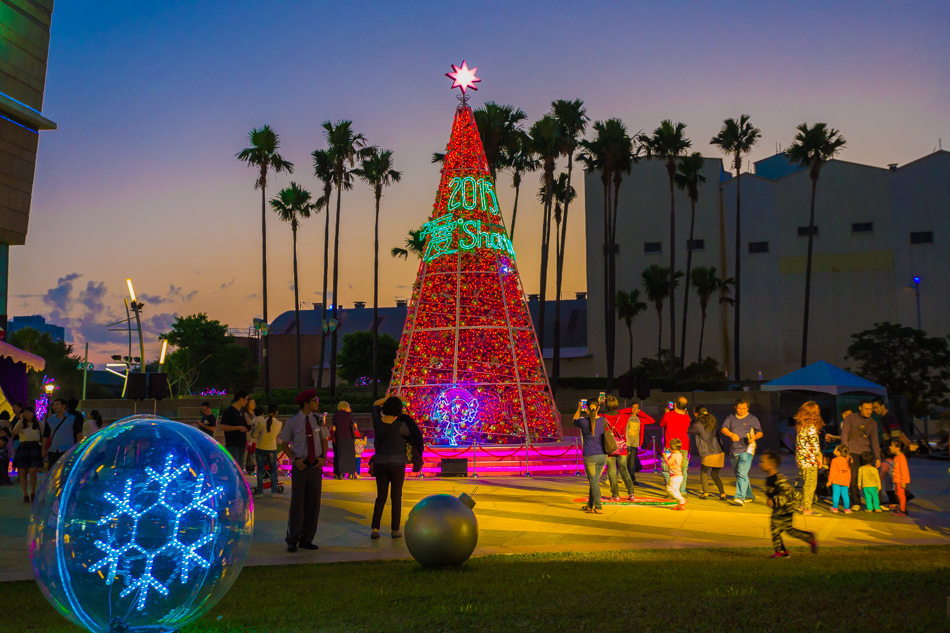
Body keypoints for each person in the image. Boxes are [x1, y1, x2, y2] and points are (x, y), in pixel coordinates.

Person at [278, 389, 328, 552]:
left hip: (315, 466)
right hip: (300, 465)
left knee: (313, 503)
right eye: (314, 400)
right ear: (306, 403)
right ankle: (293, 538)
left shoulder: (319, 419)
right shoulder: (293, 422)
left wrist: (323, 458)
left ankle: (307, 538)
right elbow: (284, 444)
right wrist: (294, 460)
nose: (317, 403)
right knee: (297, 503)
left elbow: (324, 439)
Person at [370, 395, 423, 539]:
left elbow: (375, 403)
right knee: (396, 497)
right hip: (397, 465)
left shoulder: (377, 422)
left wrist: (389, 398)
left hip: (380, 463)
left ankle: (375, 528)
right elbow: (411, 436)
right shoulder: (401, 427)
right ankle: (394, 530)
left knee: (380, 497)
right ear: (398, 411)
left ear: (385, 408)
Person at [760, 450, 818, 558]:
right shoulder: (769, 478)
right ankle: (785, 550)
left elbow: (787, 493)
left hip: (786, 508)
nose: (760, 464)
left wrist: (775, 501)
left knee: (781, 530)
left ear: (771, 465)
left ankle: (784, 551)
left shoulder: (779, 478)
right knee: (782, 529)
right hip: (779, 509)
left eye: (763, 462)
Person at [827, 402, 880, 511]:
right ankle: (856, 502)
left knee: (872, 478)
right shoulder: (850, 418)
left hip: (866, 452)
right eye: (866, 409)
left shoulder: (872, 423)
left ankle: (878, 504)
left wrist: (878, 457)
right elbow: (845, 434)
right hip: (852, 452)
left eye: (870, 409)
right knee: (853, 478)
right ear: (860, 408)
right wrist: (846, 453)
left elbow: (875, 440)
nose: (868, 411)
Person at [721, 397, 763, 505]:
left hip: (747, 449)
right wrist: (730, 434)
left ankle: (739, 497)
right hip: (734, 450)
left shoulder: (752, 418)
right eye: (740, 408)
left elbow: (760, 432)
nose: (742, 410)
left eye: (744, 408)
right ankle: (749, 495)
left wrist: (754, 437)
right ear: (735, 407)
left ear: (748, 408)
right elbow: (723, 428)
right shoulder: (731, 417)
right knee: (740, 474)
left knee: (742, 473)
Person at [573, 397, 607, 514]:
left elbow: (574, 419)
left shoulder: (583, 421)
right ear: (598, 408)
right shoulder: (603, 420)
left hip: (590, 456)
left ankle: (598, 506)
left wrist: (579, 408)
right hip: (603, 455)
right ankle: (589, 505)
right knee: (594, 481)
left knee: (594, 482)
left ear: (586, 408)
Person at [688, 406, 726, 500]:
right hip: (720, 453)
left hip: (708, 453)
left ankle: (706, 493)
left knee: (703, 472)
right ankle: (723, 494)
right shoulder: (712, 421)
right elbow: (702, 427)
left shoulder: (698, 424)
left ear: (697, 413)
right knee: (715, 475)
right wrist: (692, 421)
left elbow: (690, 430)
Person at [602, 396, 635, 501]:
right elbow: (630, 410)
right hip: (621, 447)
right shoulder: (623, 416)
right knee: (624, 470)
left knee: (611, 472)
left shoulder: (601, 416)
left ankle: (615, 495)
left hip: (608, 447)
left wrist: (602, 404)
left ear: (605, 405)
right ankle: (631, 493)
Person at [794, 401, 824, 515]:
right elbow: (814, 445)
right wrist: (819, 458)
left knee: (806, 483)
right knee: (811, 484)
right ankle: (807, 507)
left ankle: (802, 505)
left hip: (801, 460)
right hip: (810, 460)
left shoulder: (801, 427)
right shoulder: (811, 428)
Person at [616, 400, 655, 486]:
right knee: (625, 461)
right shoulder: (626, 417)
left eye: (637, 408)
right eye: (633, 408)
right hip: (627, 442)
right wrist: (628, 410)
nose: (635, 409)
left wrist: (641, 413)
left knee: (632, 462)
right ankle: (623, 478)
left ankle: (632, 478)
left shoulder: (640, 419)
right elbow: (618, 412)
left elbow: (652, 420)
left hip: (635, 443)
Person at [660, 396, 691, 497]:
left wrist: (666, 413)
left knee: (667, 469)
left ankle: (671, 491)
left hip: (670, 446)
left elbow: (662, 424)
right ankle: (682, 491)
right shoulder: (687, 417)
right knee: (682, 469)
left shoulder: (668, 415)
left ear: (676, 405)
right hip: (684, 446)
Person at [12, 406, 42, 502]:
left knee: (33, 470)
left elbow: (44, 435)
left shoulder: (39, 424)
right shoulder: (21, 424)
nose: (27, 414)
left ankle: (33, 491)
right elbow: (14, 432)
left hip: (34, 446)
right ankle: (25, 494)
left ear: (33, 413)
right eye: (25, 412)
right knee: (23, 471)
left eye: (29, 412)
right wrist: (20, 420)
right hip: (24, 446)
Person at [42, 398, 82, 469]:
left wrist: (79, 447)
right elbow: (45, 435)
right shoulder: (50, 420)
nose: (54, 407)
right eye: (54, 405)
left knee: (66, 471)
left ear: (64, 406)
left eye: (57, 404)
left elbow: (78, 433)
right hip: (54, 450)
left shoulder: (72, 418)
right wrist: (43, 448)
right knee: (53, 472)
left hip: (68, 450)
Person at [252, 404, 282, 497]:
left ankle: (260, 492)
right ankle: (274, 492)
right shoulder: (279, 423)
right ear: (276, 412)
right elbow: (276, 435)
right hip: (271, 449)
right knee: (273, 471)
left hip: (260, 448)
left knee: (260, 471)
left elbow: (254, 435)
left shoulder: (261, 422)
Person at [219, 391, 251, 473]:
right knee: (234, 470)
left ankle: (238, 485)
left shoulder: (241, 411)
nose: (247, 402)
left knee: (239, 470)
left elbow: (243, 425)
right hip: (233, 444)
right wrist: (237, 428)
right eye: (246, 399)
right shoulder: (229, 411)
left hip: (241, 444)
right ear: (241, 399)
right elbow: (222, 427)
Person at [332, 401, 358, 480]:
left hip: (339, 437)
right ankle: (352, 473)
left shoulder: (335, 415)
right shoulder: (350, 415)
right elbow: (355, 425)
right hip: (349, 436)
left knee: (340, 455)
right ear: (346, 406)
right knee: (350, 455)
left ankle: (340, 473)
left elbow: (334, 428)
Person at [663, 437, 687, 510]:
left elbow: (669, 463)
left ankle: (682, 500)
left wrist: (665, 457)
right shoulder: (679, 454)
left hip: (675, 476)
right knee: (676, 490)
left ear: (672, 448)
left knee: (669, 489)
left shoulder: (673, 455)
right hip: (679, 476)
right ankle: (680, 505)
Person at [829, 445, 852, 513]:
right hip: (845, 481)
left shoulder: (834, 460)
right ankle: (847, 509)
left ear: (838, 452)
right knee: (845, 495)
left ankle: (835, 508)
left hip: (836, 480)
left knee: (836, 494)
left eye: (835, 449)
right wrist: (848, 482)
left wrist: (830, 481)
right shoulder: (848, 460)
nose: (834, 450)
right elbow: (849, 473)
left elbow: (832, 471)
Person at [890, 440, 911, 516]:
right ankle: (901, 508)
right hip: (897, 480)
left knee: (901, 495)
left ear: (898, 448)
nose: (890, 447)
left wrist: (904, 481)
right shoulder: (896, 457)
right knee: (899, 494)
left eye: (892, 446)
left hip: (900, 480)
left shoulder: (902, 457)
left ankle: (903, 510)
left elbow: (904, 470)